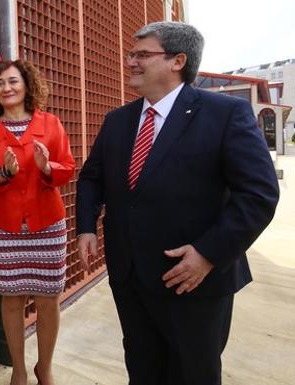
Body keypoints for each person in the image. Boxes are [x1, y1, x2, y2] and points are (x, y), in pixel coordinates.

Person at [76, 21, 279, 385]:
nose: (131, 62)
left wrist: (209, 253)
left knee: (192, 374)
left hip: (192, 280)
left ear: (177, 60)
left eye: (141, 54)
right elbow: (93, 178)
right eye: (131, 54)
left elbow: (258, 195)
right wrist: (86, 227)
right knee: (143, 369)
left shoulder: (225, 114)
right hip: (130, 276)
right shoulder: (117, 121)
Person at [0, 60, 75, 385]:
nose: (7, 88)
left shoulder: (51, 124)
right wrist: (3, 173)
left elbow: (68, 168)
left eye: (13, 81)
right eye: (0, 84)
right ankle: (18, 369)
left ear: (27, 85)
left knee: (47, 299)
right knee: (11, 298)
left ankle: (44, 368)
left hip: (47, 225)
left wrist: (47, 167)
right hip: (3, 227)